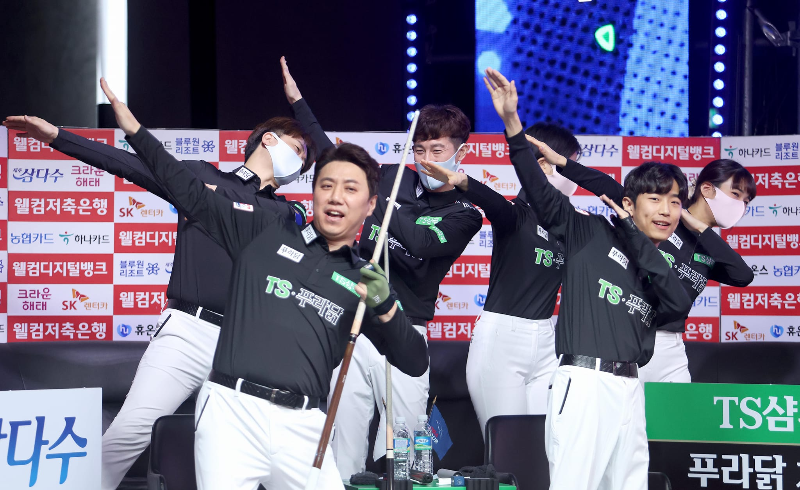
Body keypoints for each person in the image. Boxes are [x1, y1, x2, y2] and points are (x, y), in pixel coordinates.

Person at [101, 79, 429, 490]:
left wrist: (388, 308)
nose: (336, 197)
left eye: (350, 189)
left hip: (305, 427)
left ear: (370, 205)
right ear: (312, 193)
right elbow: (190, 192)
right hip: (231, 414)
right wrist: (136, 132)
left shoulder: (362, 281)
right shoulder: (265, 231)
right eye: (326, 185)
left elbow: (414, 362)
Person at [4, 90, 315, 490]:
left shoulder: (288, 212)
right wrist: (55, 137)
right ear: (269, 139)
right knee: (130, 431)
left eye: (306, 159)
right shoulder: (200, 176)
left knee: (257, 450)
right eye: (298, 149)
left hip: (246, 343)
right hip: (188, 331)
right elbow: (128, 165)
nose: (301, 162)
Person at [483, 67, 692, 489]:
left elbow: (678, 304)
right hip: (584, 383)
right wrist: (512, 125)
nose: (666, 210)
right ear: (628, 203)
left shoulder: (660, 264)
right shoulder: (587, 231)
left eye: (674, 202)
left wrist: (637, 238)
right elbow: (539, 189)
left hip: (631, 389)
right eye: (655, 199)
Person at [281, 57, 483, 478]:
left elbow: (422, 244)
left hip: (407, 330)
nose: (425, 160)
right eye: (419, 150)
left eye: (437, 151)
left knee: (408, 448)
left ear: (461, 152)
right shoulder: (392, 176)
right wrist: (300, 104)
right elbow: (335, 157)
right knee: (345, 438)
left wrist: (381, 199)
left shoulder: (465, 213)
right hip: (356, 322)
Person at [417, 123, 580, 436]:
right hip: (502, 342)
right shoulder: (515, 214)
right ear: (543, 165)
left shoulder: (570, 226)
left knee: (548, 446)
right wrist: (460, 180)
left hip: (548, 343)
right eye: (569, 165)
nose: (576, 175)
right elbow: (491, 200)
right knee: (508, 447)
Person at [547, 153, 756, 383]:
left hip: (672, 347)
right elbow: (605, 185)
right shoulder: (658, 218)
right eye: (736, 194)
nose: (741, 205)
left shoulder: (712, 250)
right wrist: (562, 162)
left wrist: (699, 227)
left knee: (678, 407)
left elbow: (743, 275)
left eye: (747, 201)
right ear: (707, 189)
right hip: (632, 333)